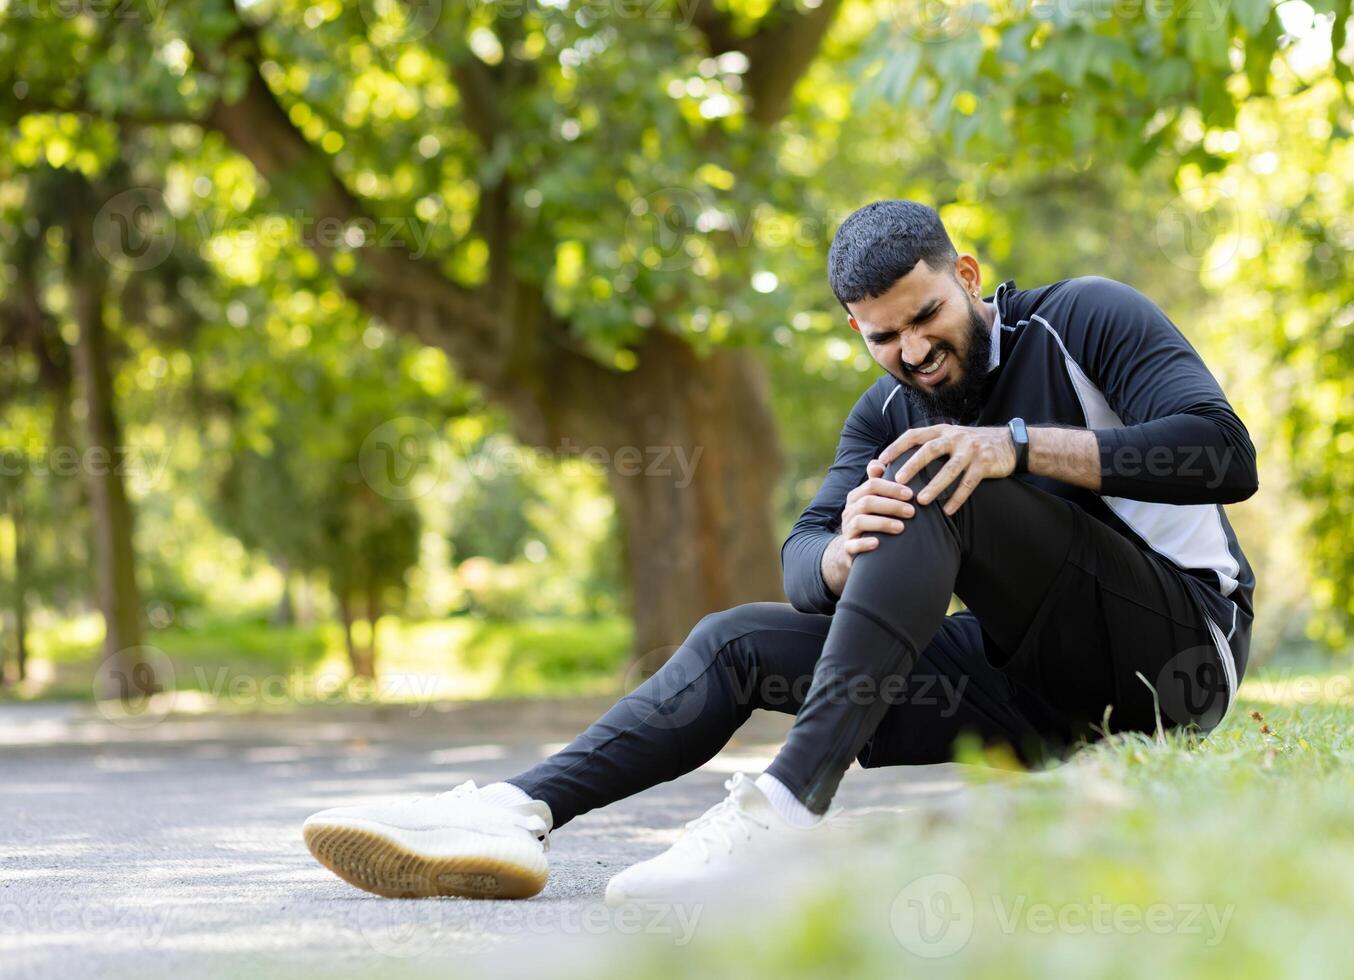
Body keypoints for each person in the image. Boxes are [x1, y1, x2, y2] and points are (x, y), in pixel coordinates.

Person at [302, 199, 1258, 906]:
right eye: (884, 336)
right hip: (1032, 692)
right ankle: (515, 814)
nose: (913, 352)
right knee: (738, 638)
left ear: (965, 276)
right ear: (856, 328)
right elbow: (803, 563)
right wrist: (846, 551)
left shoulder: (1085, 317)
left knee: (937, 476)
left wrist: (1008, 446)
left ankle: (784, 810)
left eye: (927, 317)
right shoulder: (885, 410)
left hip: (1174, 662)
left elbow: (1223, 450)